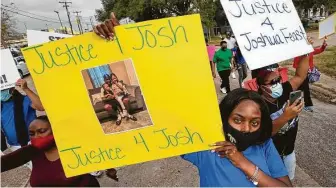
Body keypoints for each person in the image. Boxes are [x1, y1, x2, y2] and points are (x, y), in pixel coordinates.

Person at [183, 88, 292, 186]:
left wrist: (242, 162)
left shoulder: (264, 145)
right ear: (225, 118)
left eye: (254, 123)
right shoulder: (209, 147)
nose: (246, 129)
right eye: (238, 120)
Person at [0, 116, 119, 186]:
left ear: (55, 130)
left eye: (42, 131)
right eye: (32, 134)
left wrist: (109, 168)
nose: (36, 136)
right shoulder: (32, 151)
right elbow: (4, 163)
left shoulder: (75, 148)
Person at [256, 46, 311, 180]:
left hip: (289, 152)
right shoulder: (257, 105)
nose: (277, 84)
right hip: (269, 157)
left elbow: (300, 75)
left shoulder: (285, 89)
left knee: (289, 182)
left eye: (278, 79)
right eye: (272, 82)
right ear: (262, 87)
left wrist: (305, 52)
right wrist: (286, 116)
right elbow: (263, 134)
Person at [1, 79, 44, 168]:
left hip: (34, 142)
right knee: (34, 168)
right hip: (15, 146)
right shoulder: (1, 106)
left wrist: (26, 89)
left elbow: (41, 106)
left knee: (44, 167)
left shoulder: (24, 99)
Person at [293, 36, 327, 112]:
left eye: (311, 39)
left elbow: (319, 50)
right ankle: (308, 105)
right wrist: (303, 69)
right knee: (306, 89)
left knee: (298, 88)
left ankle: (291, 100)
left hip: (308, 73)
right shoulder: (300, 52)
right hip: (302, 73)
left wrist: (324, 45)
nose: (311, 41)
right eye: (309, 39)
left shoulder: (310, 50)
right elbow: (296, 64)